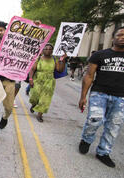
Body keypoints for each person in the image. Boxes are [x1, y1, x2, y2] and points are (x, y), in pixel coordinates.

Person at [78, 26, 124, 168]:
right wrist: (83, 96)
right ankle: (86, 139)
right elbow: (89, 76)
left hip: (121, 97)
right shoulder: (100, 55)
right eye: (119, 34)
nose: (122, 37)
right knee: (94, 120)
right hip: (99, 93)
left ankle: (103, 152)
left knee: (113, 126)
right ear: (113, 37)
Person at [28, 43, 67, 122]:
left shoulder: (54, 60)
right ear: (42, 50)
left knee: (45, 99)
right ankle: (34, 104)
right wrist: (30, 79)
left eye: (50, 49)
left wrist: (62, 60)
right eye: (46, 49)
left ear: (52, 51)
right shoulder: (38, 59)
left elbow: (60, 70)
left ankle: (40, 114)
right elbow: (32, 69)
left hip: (49, 81)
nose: (48, 51)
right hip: (38, 79)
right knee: (34, 96)